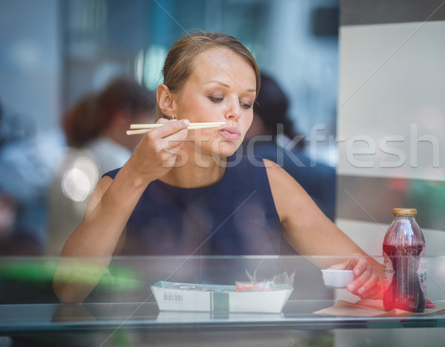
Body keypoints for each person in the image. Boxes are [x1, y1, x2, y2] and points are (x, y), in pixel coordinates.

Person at [53, 32, 382, 304]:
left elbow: (363, 271)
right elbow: (69, 290)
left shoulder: (269, 179)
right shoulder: (118, 185)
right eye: (216, 97)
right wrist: (136, 176)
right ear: (167, 101)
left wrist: (368, 277)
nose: (234, 114)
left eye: (246, 103)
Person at [45, 78, 155, 256]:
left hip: (57, 260)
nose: (152, 128)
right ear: (122, 118)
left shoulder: (84, 152)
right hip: (84, 269)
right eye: (150, 118)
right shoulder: (118, 161)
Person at [244, 73, 336, 220]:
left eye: (245, 105)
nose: (233, 113)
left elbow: (331, 179)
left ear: (260, 116)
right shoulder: (261, 152)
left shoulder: (259, 154)